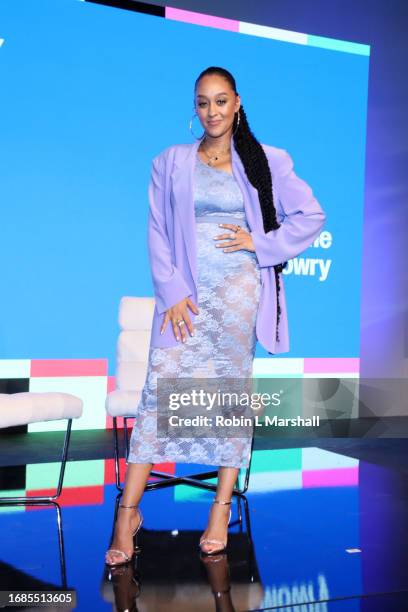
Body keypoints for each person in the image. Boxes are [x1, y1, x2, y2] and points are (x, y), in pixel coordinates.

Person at [105, 66, 326, 566]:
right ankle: (127, 513)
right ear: (195, 107)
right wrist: (173, 291)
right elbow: (158, 230)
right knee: (157, 397)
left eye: (221, 101)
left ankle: (220, 510)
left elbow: (311, 215)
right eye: (203, 102)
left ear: (238, 103)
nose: (212, 111)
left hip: (237, 292)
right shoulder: (170, 161)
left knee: (229, 396)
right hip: (183, 297)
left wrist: (262, 242)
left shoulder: (267, 160)